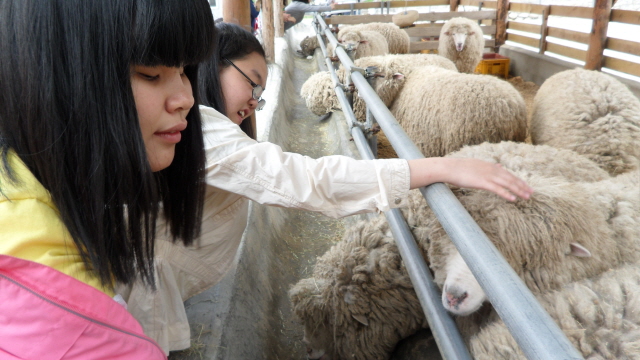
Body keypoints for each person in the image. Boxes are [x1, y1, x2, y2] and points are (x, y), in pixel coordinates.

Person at [117, 22, 534, 355]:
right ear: (214, 65)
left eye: (262, 93)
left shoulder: (199, 131)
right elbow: (307, 180)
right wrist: (441, 166)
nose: (255, 100)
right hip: (137, 300)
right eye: (253, 84)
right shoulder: (204, 131)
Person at [0, 0, 215, 358]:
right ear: (61, 72)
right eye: (150, 73)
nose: (186, 98)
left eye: (183, 70)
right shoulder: (73, 329)